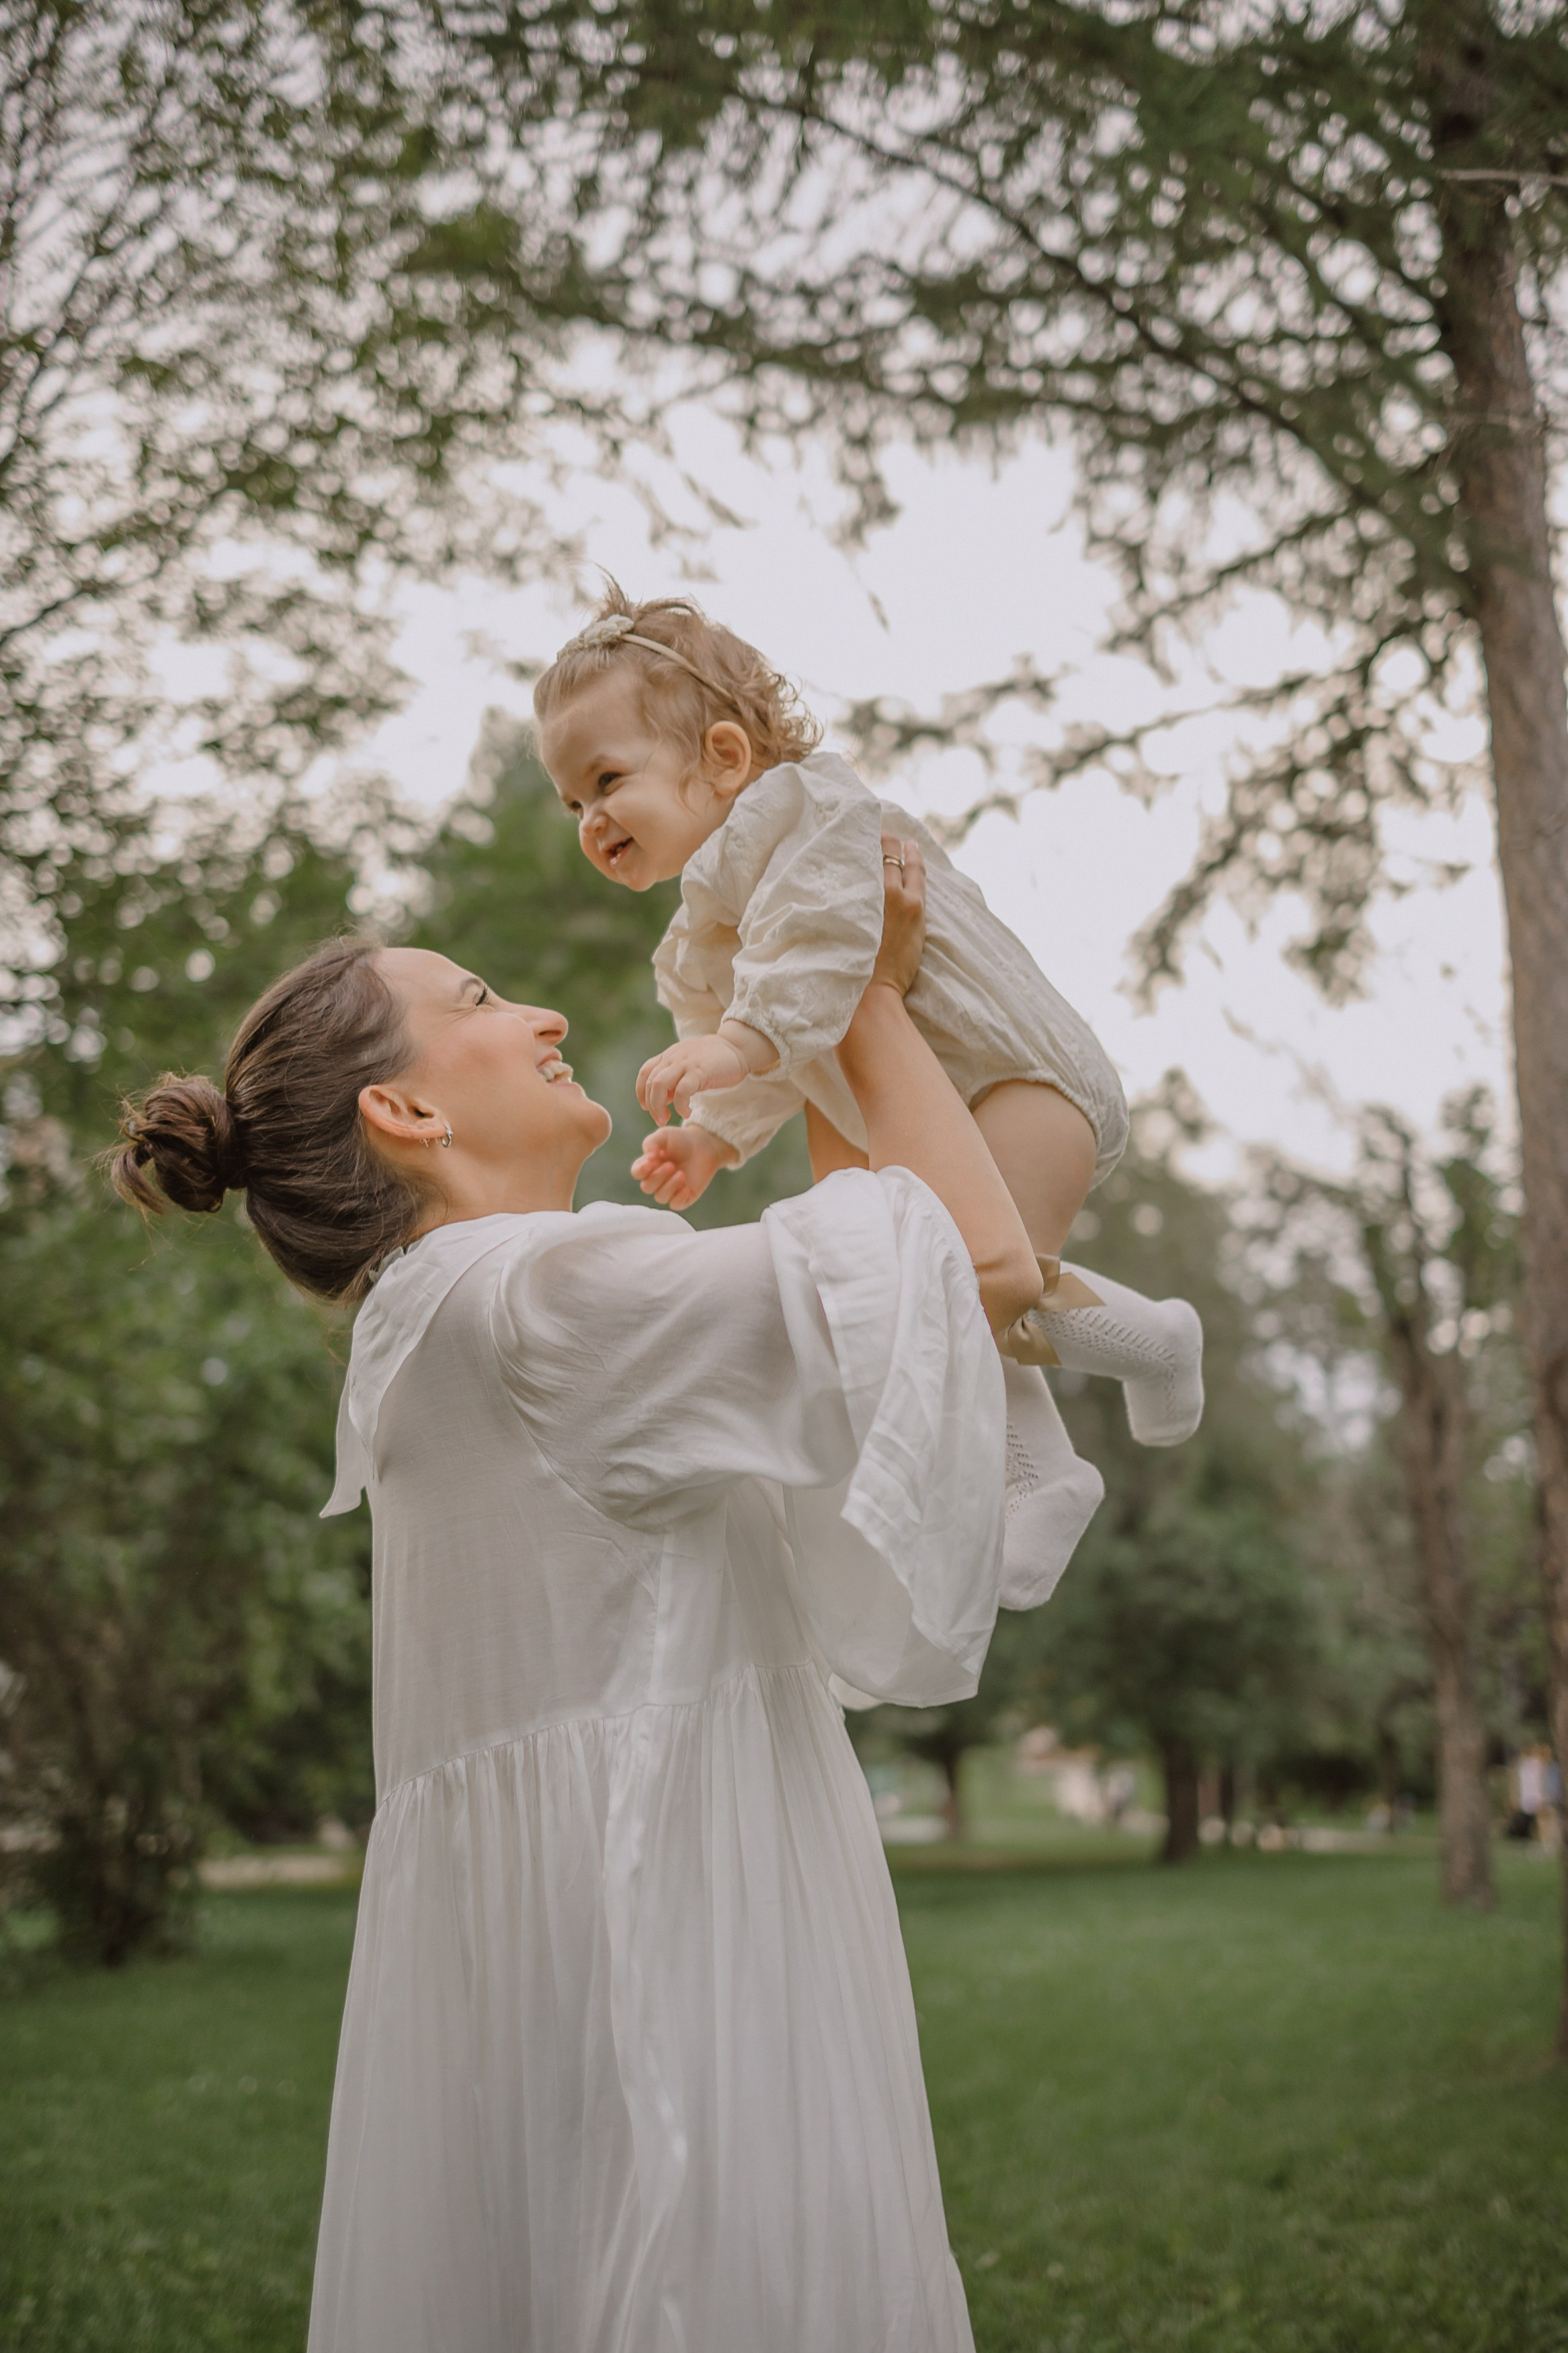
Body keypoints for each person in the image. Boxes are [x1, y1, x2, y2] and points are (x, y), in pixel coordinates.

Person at [112, 850, 1042, 2352]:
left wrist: (794, 1022)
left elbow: (872, 1299)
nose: (540, 1009)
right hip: (680, 1973)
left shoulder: (436, 1329)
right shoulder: (548, 1303)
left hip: (552, 1988)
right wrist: (864, 986)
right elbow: (978, 1261)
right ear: (406, 1113)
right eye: (480, 998)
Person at [532, 586, 1204, 1484]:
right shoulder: (710, 917)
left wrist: (730, 1046)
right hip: (919, 1100)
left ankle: (1149, 1353)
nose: (591, 821)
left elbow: (814, 955)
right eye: (573, 803)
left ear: (724, 758)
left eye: (608, 782)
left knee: (973, 1280)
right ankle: (1042, 1475)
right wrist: (712, 1134)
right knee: (944, 1299)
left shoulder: (803, 818)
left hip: (1013, 1078)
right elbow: (794, 1034)